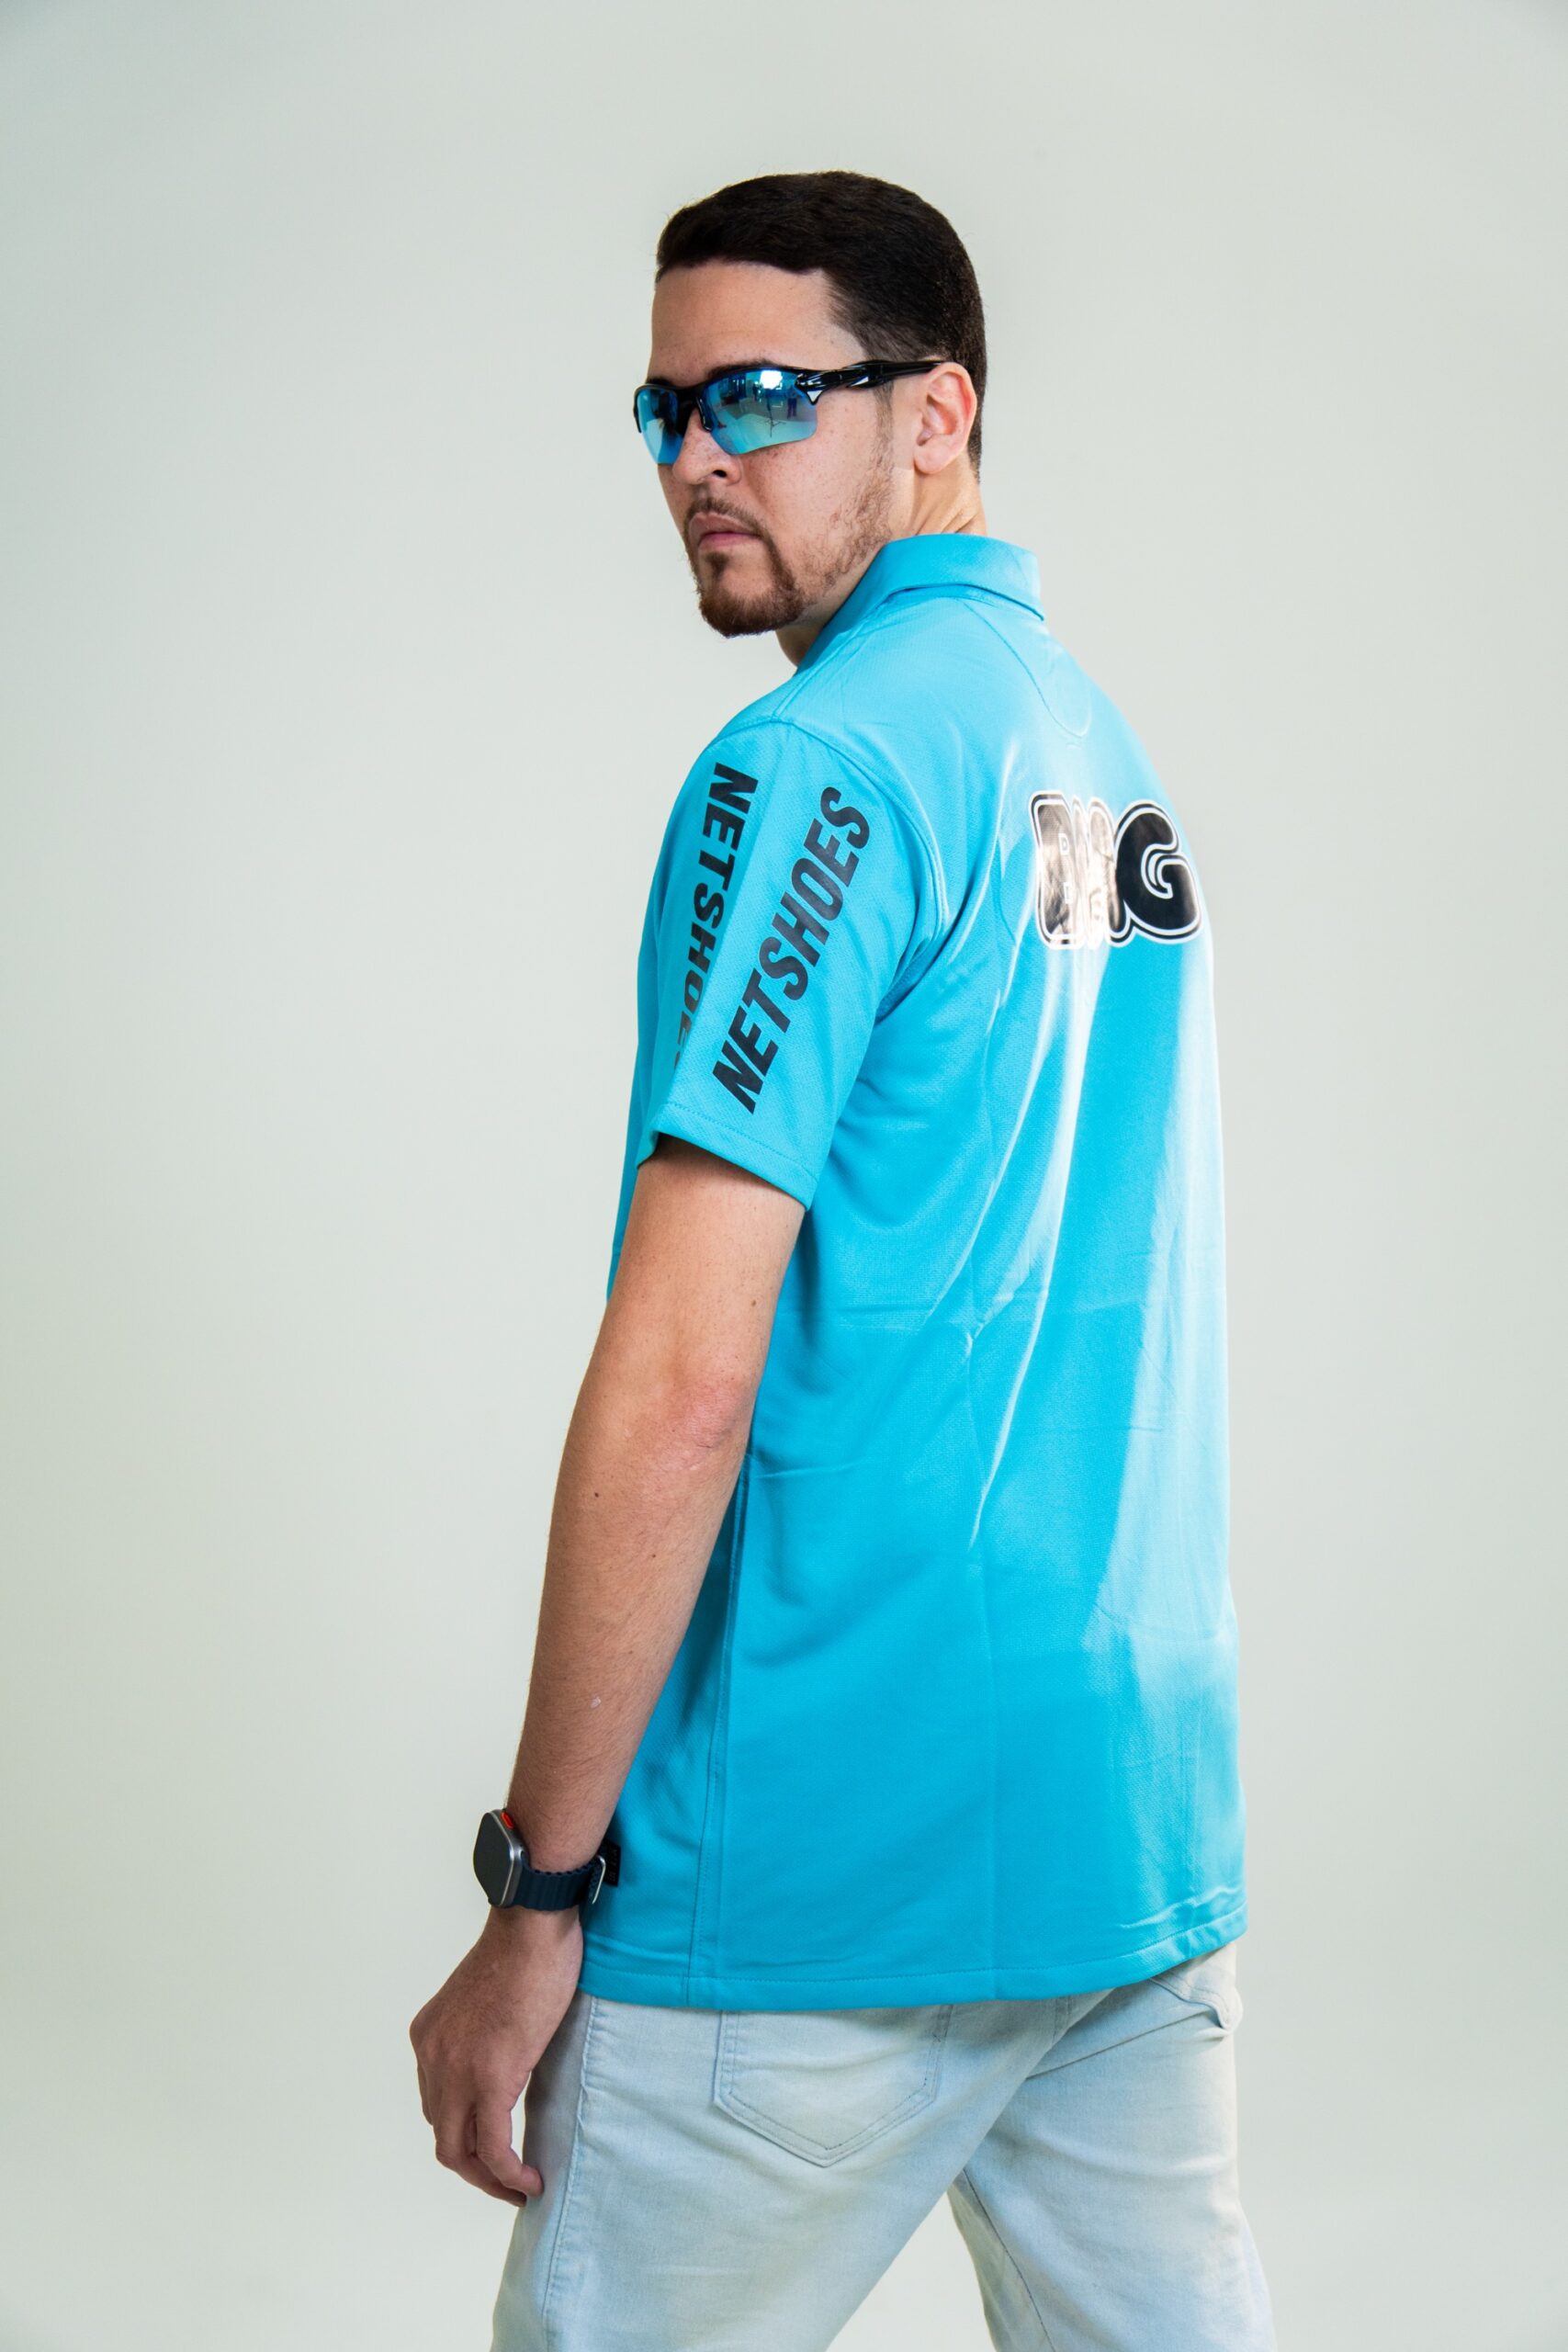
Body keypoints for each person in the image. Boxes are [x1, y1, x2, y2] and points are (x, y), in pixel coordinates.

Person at [410, 167, 1278, 2352]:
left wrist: (537, 1884)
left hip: (818, 1850)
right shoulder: (1089, 753)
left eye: (762, 395)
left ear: (936, 412)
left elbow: (683, 1374)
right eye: (666, 407)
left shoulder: (808, 763)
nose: (697, 456)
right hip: (1113, 1827)